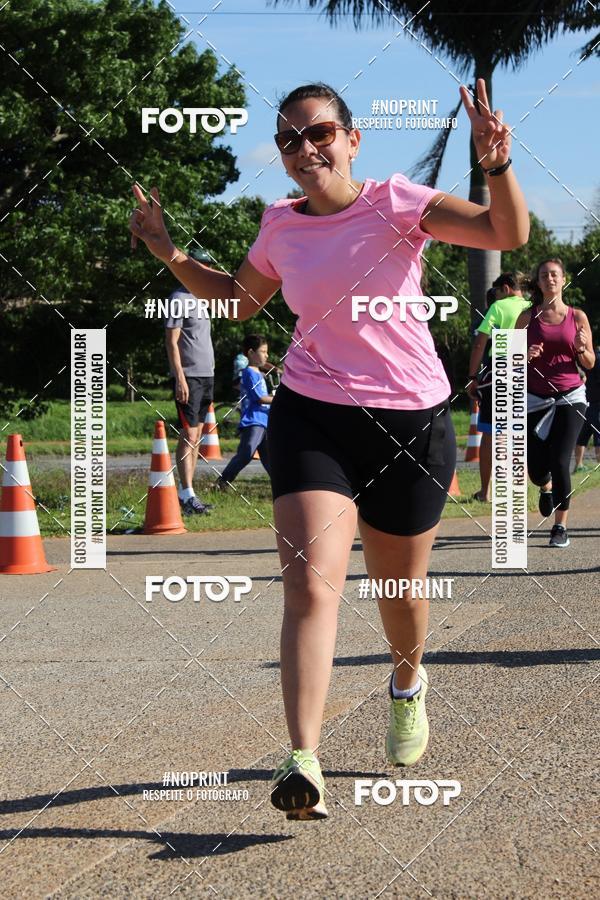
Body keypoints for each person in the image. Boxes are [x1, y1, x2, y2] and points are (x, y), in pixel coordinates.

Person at [129, 77, 529, 820]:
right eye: (289, 139)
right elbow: (238, 300)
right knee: (314, 586)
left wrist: (497, 165)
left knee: (398, 594)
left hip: (408, 422)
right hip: (311, 416)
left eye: (318, 133)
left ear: (351, 139)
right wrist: (168, 249)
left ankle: (407, 683)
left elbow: (507, 237)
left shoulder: (401, 203)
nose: (305, 148)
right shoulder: (281, 225)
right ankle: (302, 759)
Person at [515, 258, 595, 548]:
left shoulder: (578, 317)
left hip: (571, 397)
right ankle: (545, 487)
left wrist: (582, 350)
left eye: (555, 275)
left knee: (561, 461)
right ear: (538, 282)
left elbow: (589, 362)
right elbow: (508, 362)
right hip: (534, 400)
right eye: (544, 275)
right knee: (536, 468)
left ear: (563, 280)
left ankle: (560, 527)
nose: (550, 278)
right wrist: (524, 356)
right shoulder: (526, 318)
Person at [467, 273, 530, 501]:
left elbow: (479, 344)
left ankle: (486, 492)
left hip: (501, 370)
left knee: (491, 433)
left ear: (505, 288)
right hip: (528, 370)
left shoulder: (499, 307)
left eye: (497, 293)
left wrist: (472, 377)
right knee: (519, 433)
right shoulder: (535, 306)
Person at [164, 247, 215, 515]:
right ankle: (186, 494)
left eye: (208, 267)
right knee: (189, 434)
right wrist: (180, 377)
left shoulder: (204, 298)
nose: (205, 271)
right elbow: (171, 342)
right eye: (201, 267)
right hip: (190, 376)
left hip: (207, 375)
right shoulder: (178, 298)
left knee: (198, 436)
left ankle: (190, 494)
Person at [216, 334, 272, 489]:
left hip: (264, 421)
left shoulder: (258, 373)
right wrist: (279, 399)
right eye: (263, 351)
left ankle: (283, 487)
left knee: (269, 458)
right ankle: (222, 482)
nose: (266, 355)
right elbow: (259, 398)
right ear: (251, 353)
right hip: (254, 421)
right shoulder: (249, 373)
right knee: (246, 453)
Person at [573, 345, 600, 472]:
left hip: (583, 401)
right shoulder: (597, 359)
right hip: (596, 403)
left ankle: (578, 465)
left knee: (582, 436)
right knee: (598, 435)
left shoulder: (580, 359)